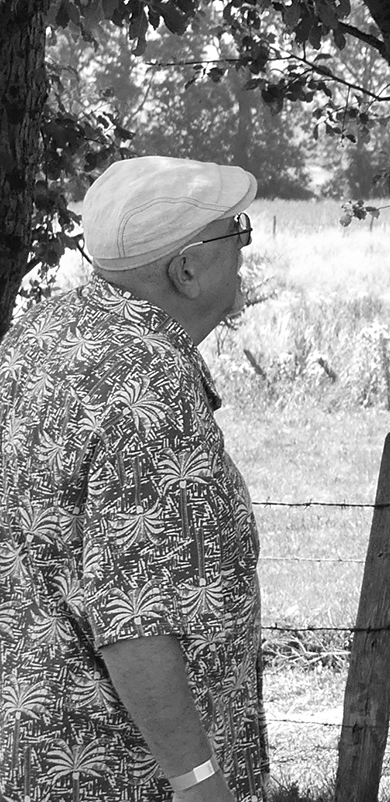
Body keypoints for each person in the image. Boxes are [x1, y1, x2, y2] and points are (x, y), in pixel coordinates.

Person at [0, 156, 268, 800]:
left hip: (32, 744)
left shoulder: (44, 331)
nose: (245, 250)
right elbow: (136, 621)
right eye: (236, 231)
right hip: (119, 769)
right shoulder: (151, 386)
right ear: (186, 269)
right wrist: (198, 781)